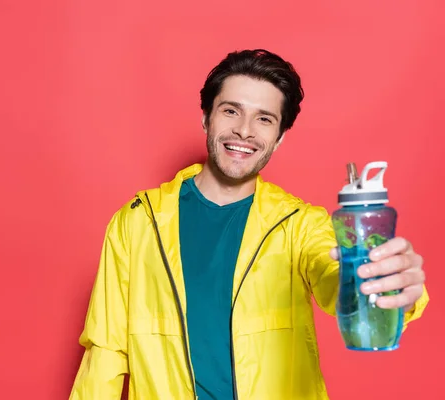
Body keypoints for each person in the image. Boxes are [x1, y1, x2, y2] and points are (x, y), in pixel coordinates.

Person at [68, 49, 429, 400]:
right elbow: (106, 350)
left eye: (264, 119)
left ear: (280, 136)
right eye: (231, 111)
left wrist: (383, 284)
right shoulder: (137, 221)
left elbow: (336, 275)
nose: (244, 130)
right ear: (206, 117)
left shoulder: (300, 225)